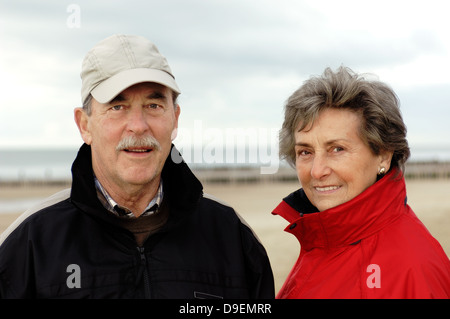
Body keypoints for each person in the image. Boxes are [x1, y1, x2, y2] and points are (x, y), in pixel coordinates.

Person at [0, 34, 274, 299]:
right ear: (85, 125)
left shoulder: (231, 237)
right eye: (118, 106)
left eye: (153, 105)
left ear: (175, 118)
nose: (139, 125)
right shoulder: (30, 244)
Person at [272, 66, 450, 299]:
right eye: (305, 151)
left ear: (383, 155)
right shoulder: (324, 240)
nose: (317, 171)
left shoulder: (413, 269)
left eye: (337, 149)